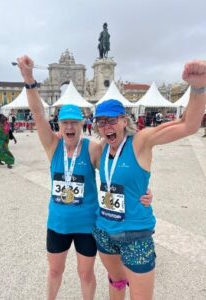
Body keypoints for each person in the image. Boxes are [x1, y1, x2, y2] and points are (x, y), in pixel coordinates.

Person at [16, 55, 153, 300]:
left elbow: (122, 163)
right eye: (65, 123)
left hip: (87, 225)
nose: (70, 127)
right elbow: (37, 113)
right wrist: (29, 81)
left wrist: (142, 191)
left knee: (85, 274)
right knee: (54, 270)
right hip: (57, 224)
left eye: (75, 123)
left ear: (82, 125)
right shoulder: (52, 146)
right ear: (58, 125)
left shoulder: (92, 148)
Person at [92, 60, 206, 300]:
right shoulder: (100, 149)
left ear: (124, 120)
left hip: (135, 234)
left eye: (112, 120)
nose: (107, 126)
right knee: (116, 282)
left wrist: (198, 89)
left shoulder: (140, 141)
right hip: (104, 231)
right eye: (101, 122)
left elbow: (188, 125)